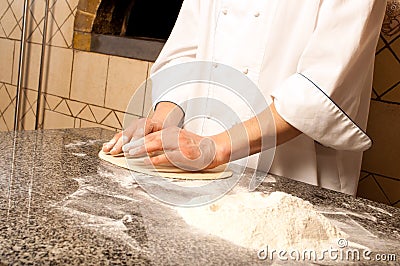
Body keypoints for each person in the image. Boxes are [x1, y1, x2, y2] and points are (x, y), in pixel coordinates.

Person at [103, 0, 387, 196]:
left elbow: (317, 94)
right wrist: (162, 121)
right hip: (197, 175)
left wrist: (216, 148)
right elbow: (184, 53)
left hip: (295, 181)